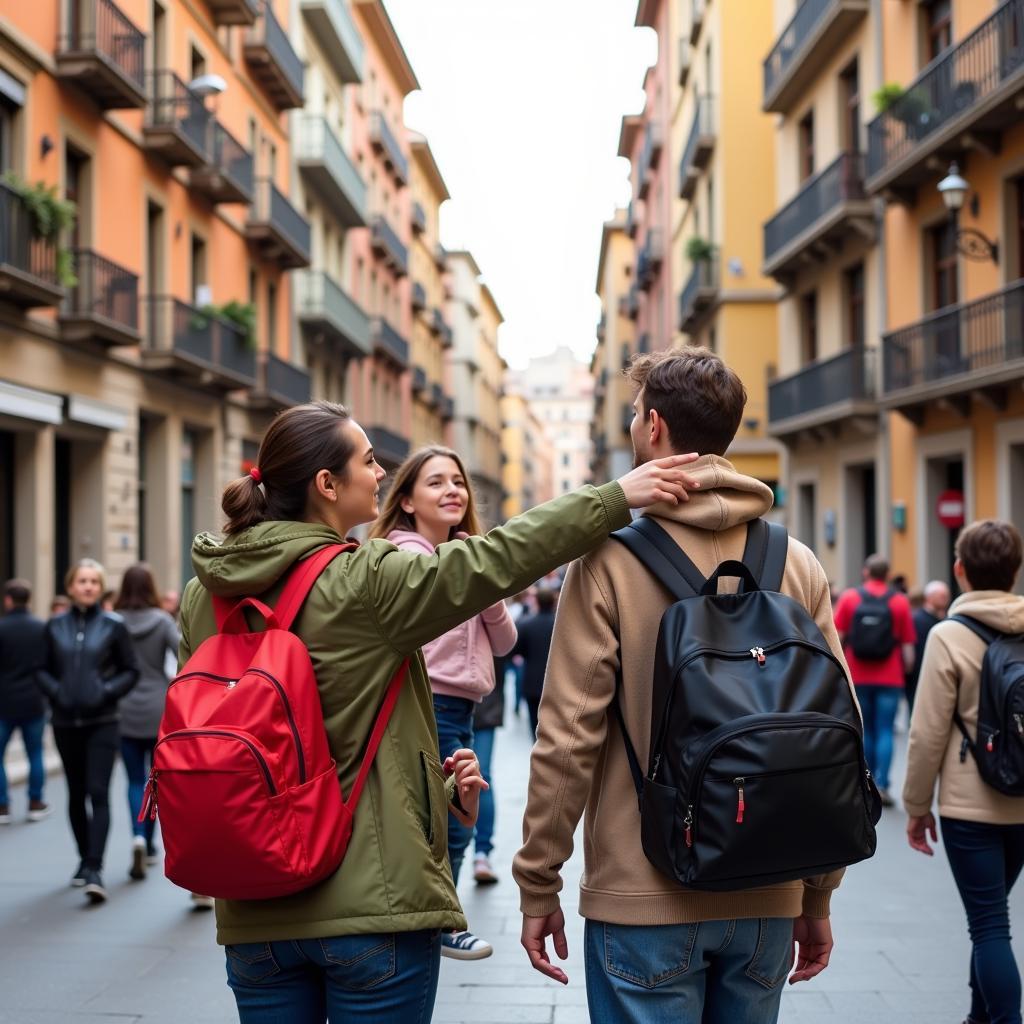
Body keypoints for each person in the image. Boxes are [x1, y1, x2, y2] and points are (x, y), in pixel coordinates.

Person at [176, 400, 699, 1023]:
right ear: (326, 485)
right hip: (372, 907)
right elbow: (498, 558)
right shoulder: (365, 580)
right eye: (368, 461)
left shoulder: (203, 595)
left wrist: (435, 785)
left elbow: (276, 729)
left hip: (252, 908)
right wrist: (613, 498)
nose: (378, 473)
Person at [513, 348, 852, 1023]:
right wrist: (817, 893)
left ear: (656, 428)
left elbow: (567, 736)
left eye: (637, 415)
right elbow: (840, 731)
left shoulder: (608, 558)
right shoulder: (797, 560)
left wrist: (537, 882)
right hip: (768, 888)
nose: (635, 426)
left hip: (641, 895)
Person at [369, 445, 518, 960]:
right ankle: (441, 922)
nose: (453, 490)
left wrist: (485, 581)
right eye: (435, 482)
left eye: (457, 480)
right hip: (426, 703)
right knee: (451, 815)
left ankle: (434, 920)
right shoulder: (407, 556)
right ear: (406, 500)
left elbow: (505, 642)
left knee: (454, 811)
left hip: (460, 708)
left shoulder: (462, 555)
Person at [904, 520, 1024, 1024]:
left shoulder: (949, 635)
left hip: (970, 804)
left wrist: (915, 807)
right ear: (1015, 572)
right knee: (992, 917)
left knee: (989, 925)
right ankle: (979, 1018)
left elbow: (927, 732)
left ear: (959, 570)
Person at [36, 559, 139, 903]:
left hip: (102, 722)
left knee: (98, 791)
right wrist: (58, 692)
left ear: (100, 587)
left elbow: (130, 670)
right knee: (75, 793)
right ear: (71, 586)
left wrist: (106, 692)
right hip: (65, 722)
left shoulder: (114, 625)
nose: (88, 587)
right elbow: (41, 670)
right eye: (82, 581)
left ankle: (95, 867)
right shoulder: (54, 627)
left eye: (94, 581)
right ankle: (83, 859)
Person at [113, 564, 180, 882]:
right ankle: (152, 845)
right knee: (154, 780)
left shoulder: (113, 623)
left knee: (131, 778)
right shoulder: (161, 621)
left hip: (123, 708)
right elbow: (183, 653)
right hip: (157, 708)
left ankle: (139, 836)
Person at [834, 555, 916, 807]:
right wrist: (906, 671)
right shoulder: (900, 601)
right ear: (887, 574)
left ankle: (865, 782)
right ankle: (883, 784)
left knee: (864, 729)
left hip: (857, 675)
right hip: (889, 677)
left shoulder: (849, 598)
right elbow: (908, 649)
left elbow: (837, 636)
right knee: (885, 730)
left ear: (866, 571)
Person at [0, 579, 49, 825]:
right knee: (35, 753)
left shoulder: (2, 627)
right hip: (33, 700)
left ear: (8, 600)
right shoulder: (41, 627)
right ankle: (35, 802)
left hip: (4, 702)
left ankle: (2, 805)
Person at [470, 659, 504, 886]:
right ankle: (480, 855)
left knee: (481, 779)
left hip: (481, 707)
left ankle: (482, 852)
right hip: (449, 707)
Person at [512, 588, 558, 737]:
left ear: (537, 602)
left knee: (535, 726)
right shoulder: (561, 625)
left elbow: (516, 650)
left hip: (532, 681)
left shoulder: (526, 624)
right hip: (555, 681)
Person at [905, 579, 952, 713]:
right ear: (929, 597)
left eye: (946, 596)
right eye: (941, 596)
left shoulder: (947, 620)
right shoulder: (917, 619)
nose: (945, 599)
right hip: (918, 677)